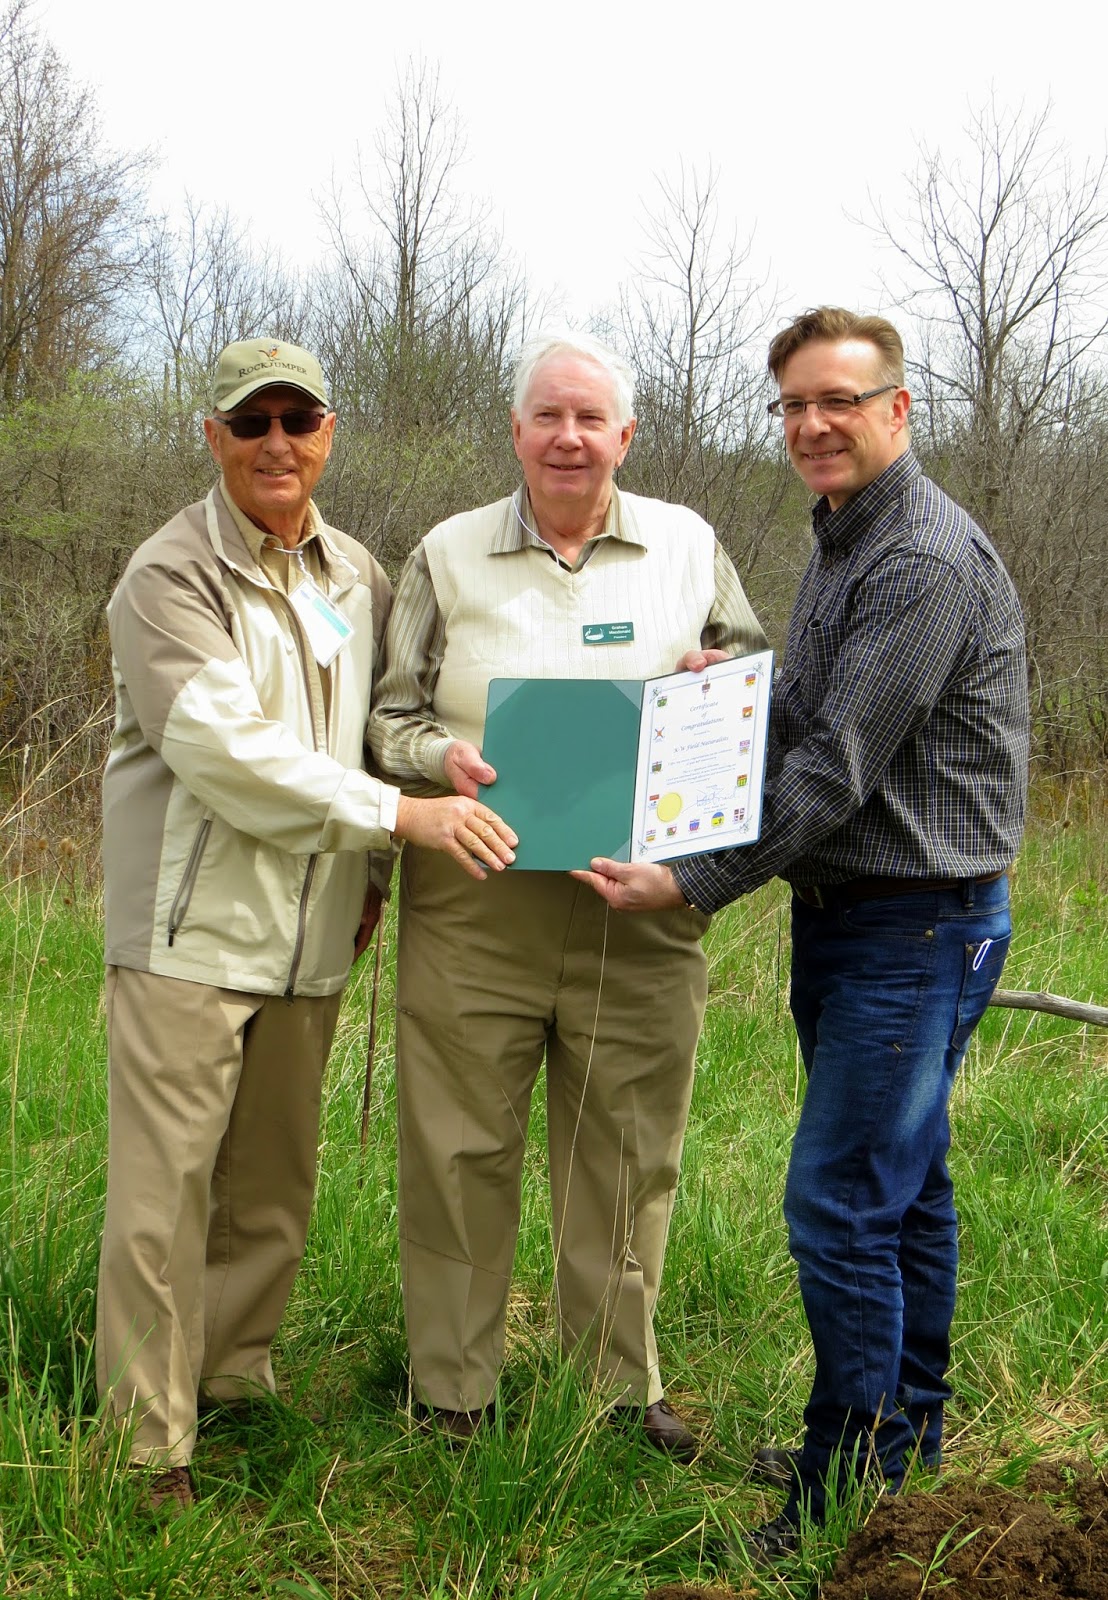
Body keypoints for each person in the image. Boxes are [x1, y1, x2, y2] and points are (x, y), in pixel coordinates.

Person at [573, 308, 1029, 1560]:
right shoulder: (844, 536)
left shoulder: (920, 559)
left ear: (897, 406)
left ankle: (848, 1490)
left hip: (916, 929)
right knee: (903, 1192)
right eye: (792, 405)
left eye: (838, 400)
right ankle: (898, 1448)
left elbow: (833, 769)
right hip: (857, 921)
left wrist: (694, 880)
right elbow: (809, 703)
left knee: (837, 1203)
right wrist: (715, 684)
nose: (812, 425)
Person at [97, 338, 516, 1513]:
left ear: (330, 432)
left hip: (312, 937)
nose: (277, 442)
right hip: (188, 937)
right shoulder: (169, 578)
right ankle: (145, 1448)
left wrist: (387, 852)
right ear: (213, 435)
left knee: (272, 1186)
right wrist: (399, 819)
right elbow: (230, 756)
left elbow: (375, 729)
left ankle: (231, 1382)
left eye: (299, 418)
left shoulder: (357, 577)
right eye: (252, 420)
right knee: (161, 1198)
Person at [369, 330, 767, 1456]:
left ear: (626, 436)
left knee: (628, 1149)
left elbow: (747, 689)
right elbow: (388, 718)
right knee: (458, 1147)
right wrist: (438, 760)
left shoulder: (688, 546)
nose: (569, 436)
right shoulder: (446, 554)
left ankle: (616, 1384)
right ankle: (454, 1388)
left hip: (634, 905)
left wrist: (715, 686)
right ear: (514, 430)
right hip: (476, 900)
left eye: (591, 418)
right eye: (548, 415)